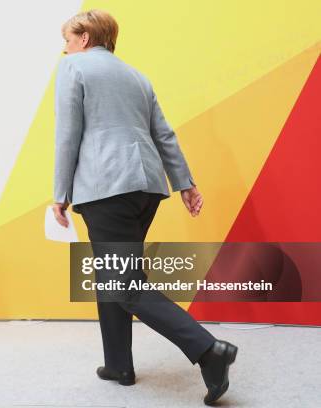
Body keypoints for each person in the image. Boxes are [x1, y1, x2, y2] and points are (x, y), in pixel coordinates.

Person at [52, 9, 238, 406]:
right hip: (147, 185)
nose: (64, 46)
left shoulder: (74, 67)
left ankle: (209, 351)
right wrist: (184, 183)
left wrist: (60, 192)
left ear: (84, 38)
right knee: (114, 273)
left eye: (67, 38)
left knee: (123, 282)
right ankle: (118, 364)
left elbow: (68, 133)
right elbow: (164, 134)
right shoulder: (138, 76)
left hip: (105, 186)